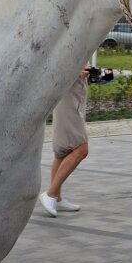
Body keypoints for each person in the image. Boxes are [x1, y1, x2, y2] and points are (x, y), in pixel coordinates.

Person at [37, 63, 91, 217]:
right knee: (81, 149)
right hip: (68, 93)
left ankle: (57, 199)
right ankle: (50, 194)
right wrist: (75, 70)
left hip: (74, 92)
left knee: (62, 151)